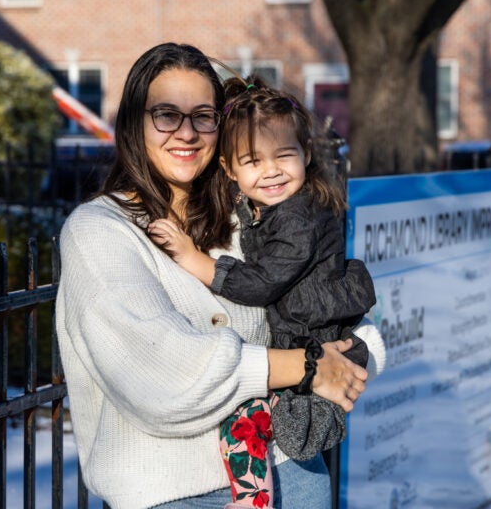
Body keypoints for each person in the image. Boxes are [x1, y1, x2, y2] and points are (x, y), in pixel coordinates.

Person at [55, 42, 384, 509]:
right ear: (133, 124)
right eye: (166, 115)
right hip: (176, 495)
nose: (186, 133)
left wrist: (351, 356)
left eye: (203, 116)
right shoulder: (99, 233)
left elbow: (346, 318)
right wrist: (308, 367)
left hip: (293, 472)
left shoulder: (247, 220)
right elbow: (165, 378)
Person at [148, 75, 378, 509]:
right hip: (306, 339)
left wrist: (198, 261)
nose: (270, 170)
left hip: (311, 341)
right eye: (253, 161)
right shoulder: (275, 206)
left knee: (250, 423)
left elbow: (263, 281)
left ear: (306, 155)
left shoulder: (297, 218)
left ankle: (255, 499)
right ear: (230, 170)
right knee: (262, 423)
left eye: (284, 156)